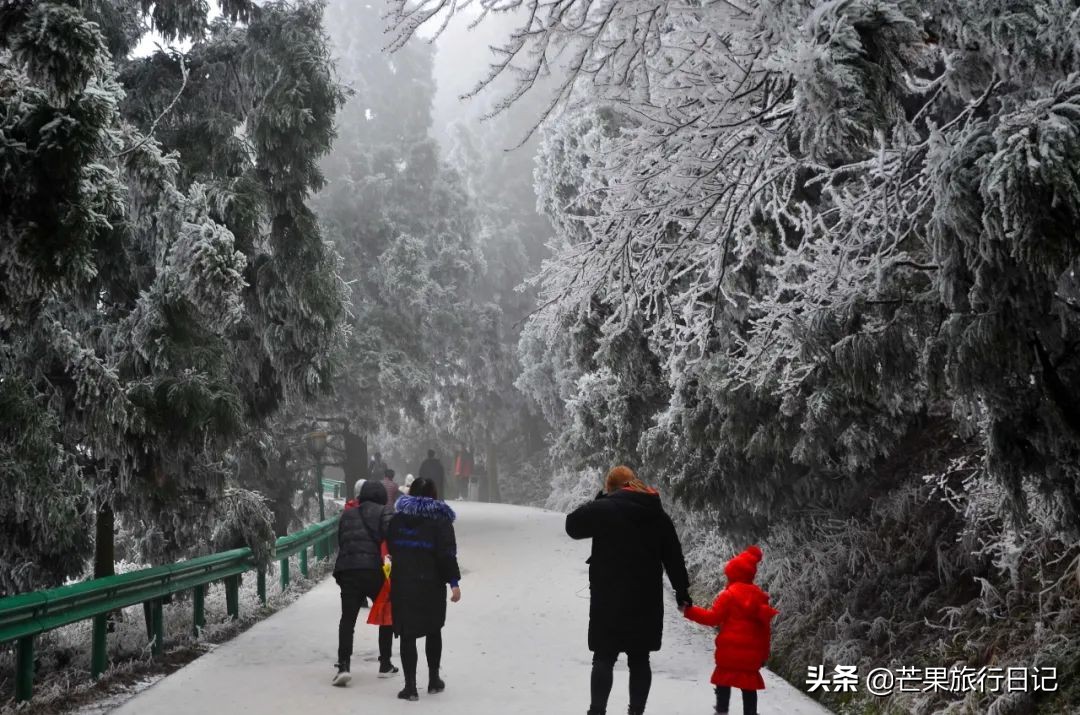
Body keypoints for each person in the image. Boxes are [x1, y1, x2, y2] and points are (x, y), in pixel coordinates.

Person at [565, 465, 691, 715]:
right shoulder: (657, 513)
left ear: (610, 487)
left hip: (608, 599)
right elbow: (673, 556)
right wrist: (681, 592)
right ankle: (636, 712)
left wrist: (599, 500)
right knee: (640, 660)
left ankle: (597, 711)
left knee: (603, 658)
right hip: (645, 601)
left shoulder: (603, 509)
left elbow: (572, 526)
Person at [386, 477, 462, 701]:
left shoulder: (398, 520)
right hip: (431, 584)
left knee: (407, 635)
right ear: (433, 494)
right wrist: (454, 583)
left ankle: (410, 687)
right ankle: (434, 681)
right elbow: (446, 554)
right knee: (433, 629)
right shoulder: (440, 521)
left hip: (403, 584)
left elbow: (390, 546)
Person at [682, 546, 778, 715]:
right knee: (748, 686)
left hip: (728, 652)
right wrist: (764, 655)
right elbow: (765, 630)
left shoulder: (728, 595)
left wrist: (689, 611)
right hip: (750, 655)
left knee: (724, 680)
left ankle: (721, 710)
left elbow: (712, 618)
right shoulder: (760, 597)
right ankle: (750, 712)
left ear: (733, 573)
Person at [331, 479, 399, 686]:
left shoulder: (348, 514)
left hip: (347, 570)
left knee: (347, 620)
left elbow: (342, 541)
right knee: (386, 614)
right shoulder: (385, 511)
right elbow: (393, 538)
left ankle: (343, 666)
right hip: (372, 570)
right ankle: (385, 664)